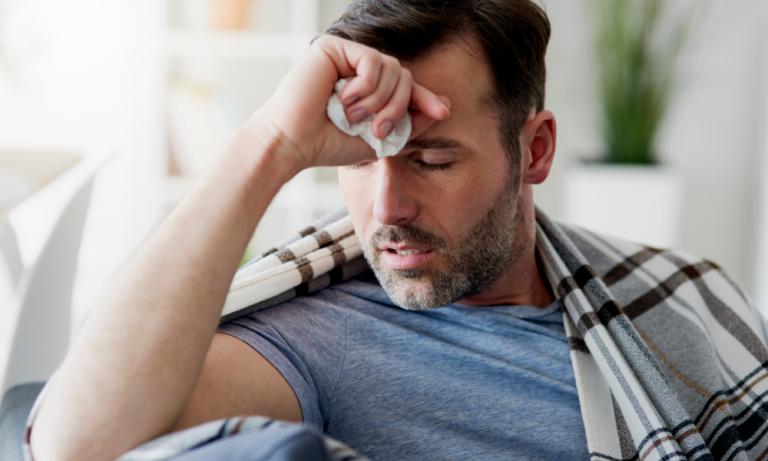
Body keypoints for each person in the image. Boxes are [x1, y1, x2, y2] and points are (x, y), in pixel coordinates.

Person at [27, 1, 768, 460]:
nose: (386, 207)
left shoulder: (675, 294)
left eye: (433, 158)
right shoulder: (312, 343)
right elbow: (72, 445)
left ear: (533, 151)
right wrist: (270, 145)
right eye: (357, 158)